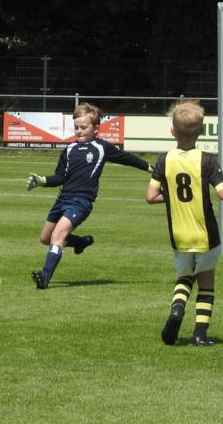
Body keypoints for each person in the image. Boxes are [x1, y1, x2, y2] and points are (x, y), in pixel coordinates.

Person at [145, 100, 223, 346]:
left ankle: (177, 309)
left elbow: (150, 197)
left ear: (172, 131)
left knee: (185, 277)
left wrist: (172, 195)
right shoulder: (207, 160)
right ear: (201, 132)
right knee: (206, 280)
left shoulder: (163, 160)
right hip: (206, 235)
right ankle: (200, 334)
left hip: (179, 235)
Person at [26, 101, 151, 289]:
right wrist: (42, 181)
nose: (79, 131)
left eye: (83, 127)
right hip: (62, 200)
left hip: (81, 202)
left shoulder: (102, 147)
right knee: (46, 238)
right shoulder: (69, 150)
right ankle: (81, 242)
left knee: (58, 235)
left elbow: (127, 159)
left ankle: (44, 277)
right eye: (76, 127)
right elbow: (60, 177)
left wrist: (150, 168)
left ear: (96, 129)